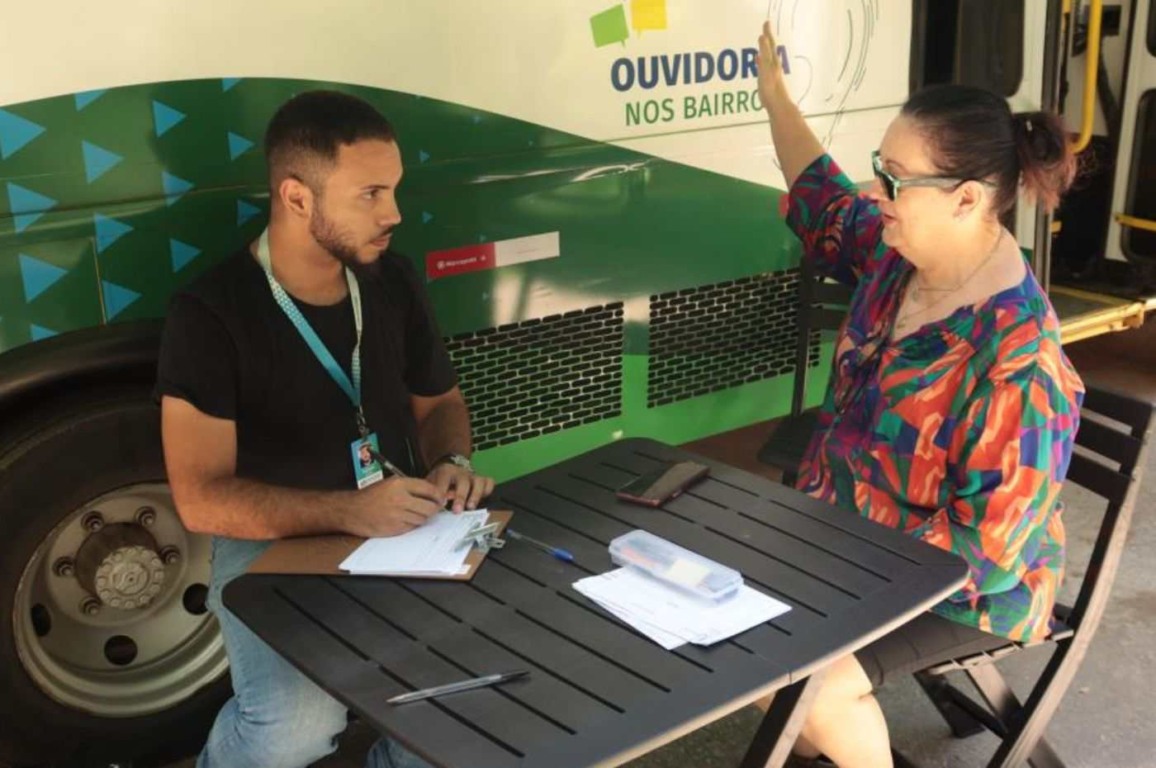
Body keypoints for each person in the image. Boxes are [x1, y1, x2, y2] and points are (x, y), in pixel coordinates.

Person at [754, 21, 1084, 768]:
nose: (879, 192)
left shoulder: (1018, 359)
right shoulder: (897, 253)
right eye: (881, 168)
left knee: (809, 682)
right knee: (740, 639)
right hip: (844, 537)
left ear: (967, 199)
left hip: (961, 588)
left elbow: (988, 550)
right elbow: (823, 200)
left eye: (896, 180)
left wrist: (835, 566)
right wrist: (773, 92)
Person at [157, 90, 494, 768]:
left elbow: (440, 402)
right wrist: (349, 511)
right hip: (272, 540)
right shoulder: (209, 312)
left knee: (463, 708)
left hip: (402, 524)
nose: (393, 213)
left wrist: (450, 459)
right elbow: (200, 499)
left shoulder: (392, 280)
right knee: (292, 731)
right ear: (297, 197)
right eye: (369, 193)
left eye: (393, 189)